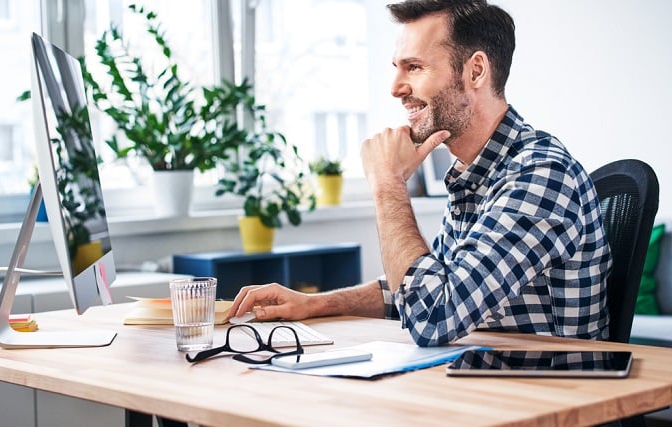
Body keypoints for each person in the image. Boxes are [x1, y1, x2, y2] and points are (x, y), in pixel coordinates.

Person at [228, 0, 612, 347]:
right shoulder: (475, 174)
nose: (396, 88)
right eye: (397, 68)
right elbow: (423, 291)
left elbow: (433, 316)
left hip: (548, 401)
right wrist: (314, 304)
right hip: (480, 389)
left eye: (415, 67)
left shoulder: (539, 175)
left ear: (475, 70)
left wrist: (388, 184)